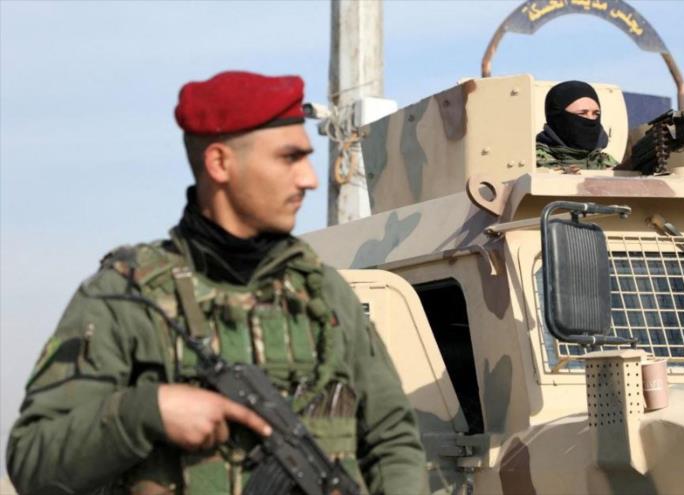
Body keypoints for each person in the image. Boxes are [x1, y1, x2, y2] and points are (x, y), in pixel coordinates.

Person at [6, 71, 427, 495]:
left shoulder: (325, 294)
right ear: (220, 163)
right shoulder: (124, 299)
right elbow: (32, 460)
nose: (310, 179)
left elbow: (392, 440)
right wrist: (145, 412)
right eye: (289, 158)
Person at [535, 80, 618, 171]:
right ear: (558, 118)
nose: (591, 119)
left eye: (596, 114)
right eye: (582, 113)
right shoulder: (534, 161)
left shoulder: (605, 162)